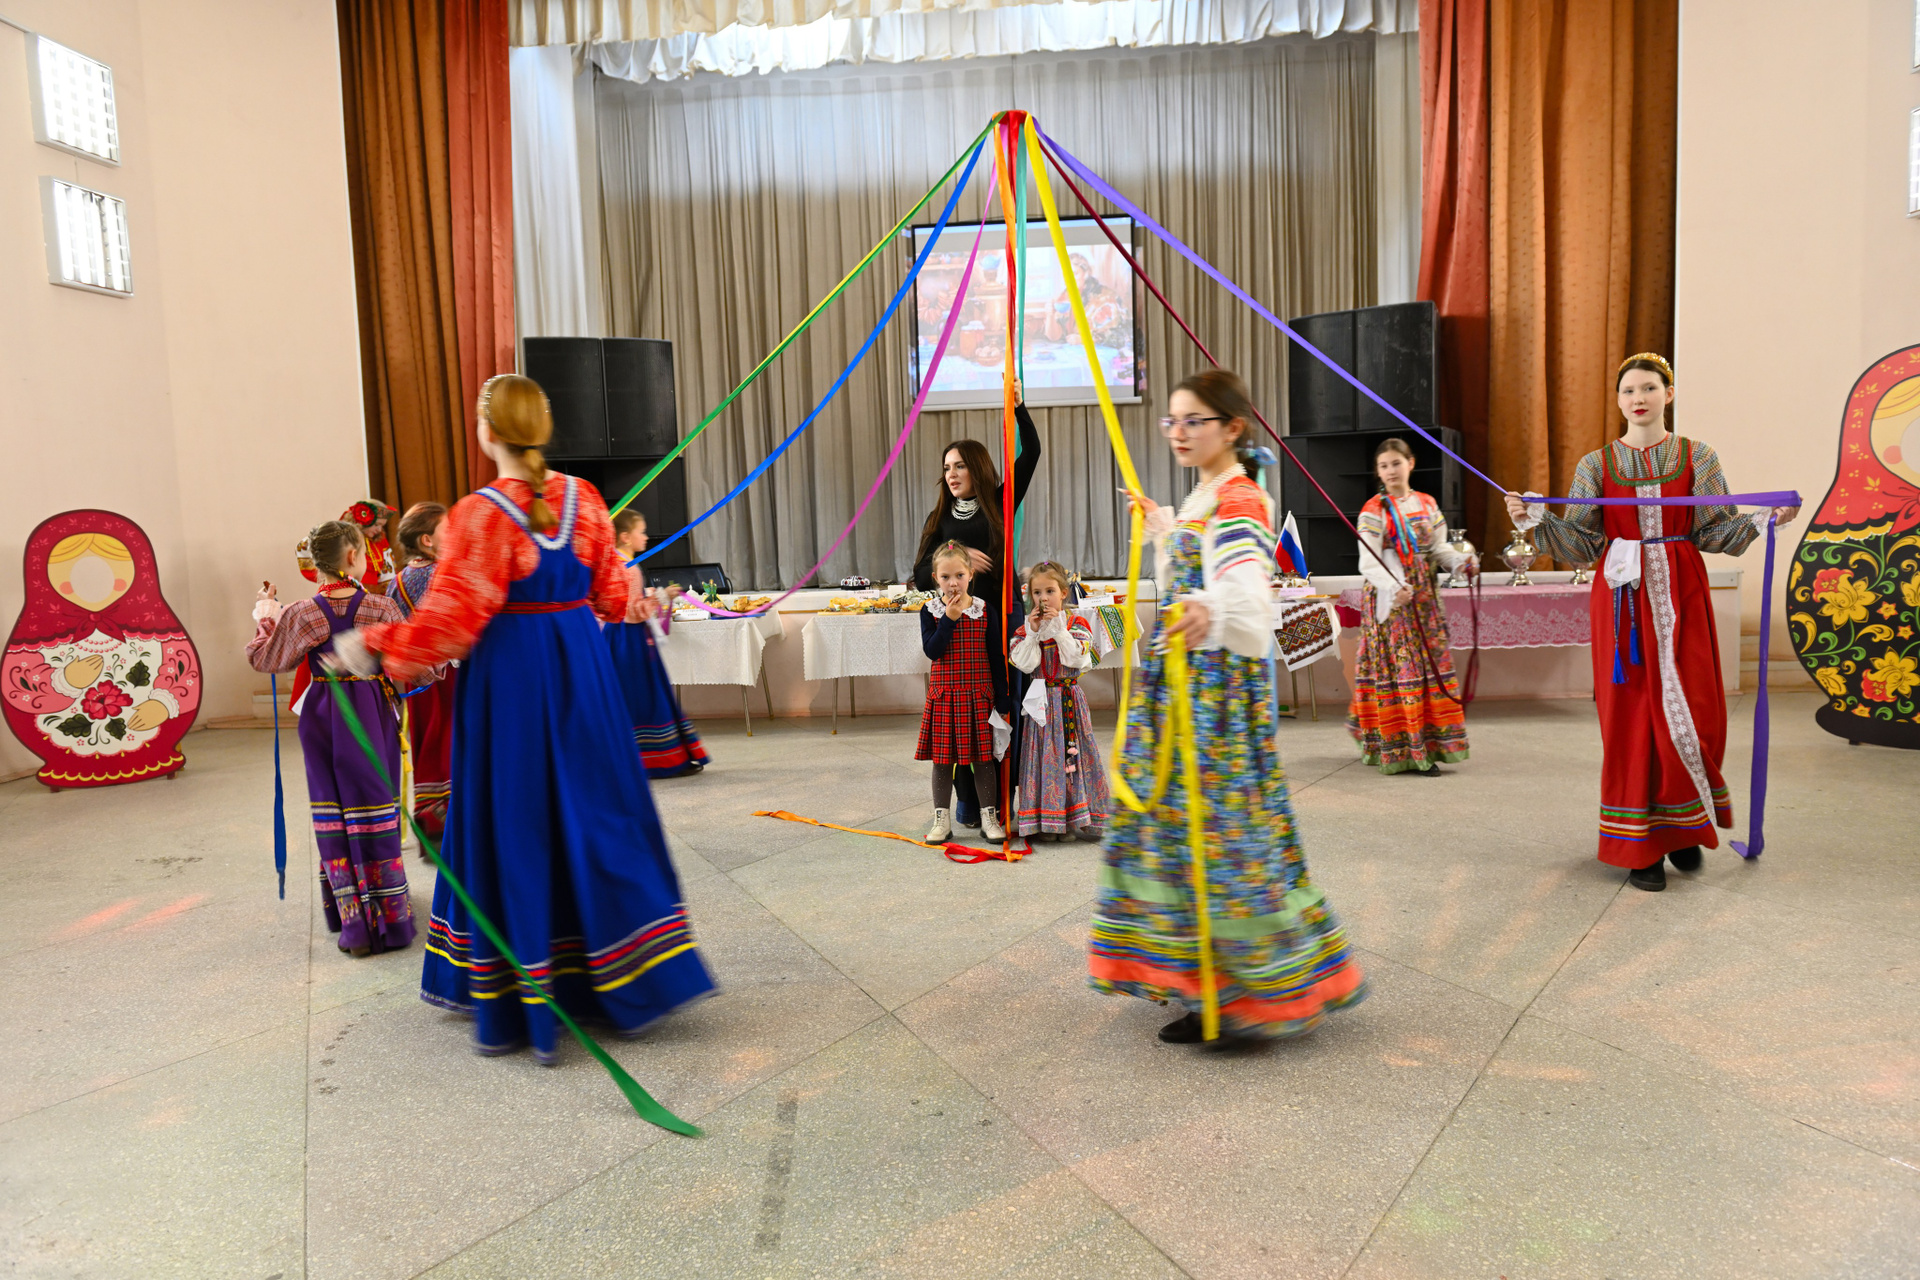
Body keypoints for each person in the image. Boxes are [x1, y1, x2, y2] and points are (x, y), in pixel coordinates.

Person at [337, 373, 715, 1062]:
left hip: (511, 683)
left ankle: (528, 987)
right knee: (597, 809)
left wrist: (374, 644)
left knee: (518, 821)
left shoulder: (478, 515)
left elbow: (450, 627)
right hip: (584, 675)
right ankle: (627, 972)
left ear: (487, 430)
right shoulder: (586, 499)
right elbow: (610, 597)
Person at [1092, 369, 1367, 1044]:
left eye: (1194, 421)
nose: (1179, 433)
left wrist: (1208, 610)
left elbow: (1246, 588)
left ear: (1232, 428)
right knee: (1184, 828)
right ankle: (1202, 981)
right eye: (1172, 421)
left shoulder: (1240, 498)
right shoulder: (1206, 495)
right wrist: (1164, 526)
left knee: (1217, 832)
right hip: (1183, 688)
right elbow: (1195, 565)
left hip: (1211, 701)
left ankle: (1238, 994)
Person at [1505, 353, 1800, 892]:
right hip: (1622, 601)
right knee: (1632, 716)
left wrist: (1766, 519)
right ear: (1618, 401)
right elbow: (1582, 545)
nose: (1638, 398)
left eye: (1648, 388)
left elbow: (1714, 531)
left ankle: (1683, 828)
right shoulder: (1595, 465)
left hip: (1683, 591)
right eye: (1628, 391)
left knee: (1697, 708)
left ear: (1669, 393)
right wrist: (1535, 519)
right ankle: (1640, 846)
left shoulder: (1698, 456)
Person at [248, 520, 416, 957]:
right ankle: (389, 918)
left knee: (334, 810)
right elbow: (416, 665)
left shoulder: (301, 613)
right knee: (375, 807)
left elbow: (266, 660)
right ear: (352, 556)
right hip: (370, 712)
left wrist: (266, 617)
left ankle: (352, 921)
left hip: (323, 712)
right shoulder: (380, 607)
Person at [911, 389, 1041, 827]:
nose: (951, 474)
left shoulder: (1000, 502)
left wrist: (1018, 406)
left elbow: (1032, 451)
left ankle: (1003, 802)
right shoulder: (939, 519)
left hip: (1002, 620)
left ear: (977, 467)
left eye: (959, 465)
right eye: (946, 468)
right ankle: (967, 806)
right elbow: (920, 571)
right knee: (964, 717)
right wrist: (960, 554)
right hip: (959, 630)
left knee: (1004, 710)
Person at [1348, 438, 1476, 776]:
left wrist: (1461, 562)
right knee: (1404, 667)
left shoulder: (1427, 503)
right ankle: (1408, 749)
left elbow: (1437, 549)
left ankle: (1431, 743)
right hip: (1391, 597)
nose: (1390, 471)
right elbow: (1368, 561)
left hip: (1423, 596)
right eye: (1383, 466)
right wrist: (1394, 587)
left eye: (1396, 463)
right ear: (1378, 472)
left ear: (1411, 464)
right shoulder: (1373, 509)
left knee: (1429, 666)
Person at [917, 540, 1011, 843]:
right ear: (936, 579)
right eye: (945, 577)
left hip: (978, 697)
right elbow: (933, 651)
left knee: (983, 760)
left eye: (959, 575)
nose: (953, 583)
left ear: (971, 574)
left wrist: (1002, 698)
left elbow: (996, 656)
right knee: (943, 761)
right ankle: (941, 819)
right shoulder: (930, 611)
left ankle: (988, 817)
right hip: (945, 697)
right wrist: (949, 619)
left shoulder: (985, 610)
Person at [1010, 560, 1108, 841]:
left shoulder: (1076, 624)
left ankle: (1071, 820)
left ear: (1063, 593)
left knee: (1073, 756)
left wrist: (1057, 630)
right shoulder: (1027, 629)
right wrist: (1033, 633)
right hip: (1041, 702)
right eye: (1037, 593)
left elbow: (1076, 658)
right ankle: (1047, 822)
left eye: (1050, 591)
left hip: (1068, 700)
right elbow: (1025, 664)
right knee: (1044, 757)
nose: (1043, 598)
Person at [607, 509, 709, 778]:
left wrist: (651, 594)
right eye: (641, 532)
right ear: (625, 537)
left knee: (633, 695)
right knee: (644, 696)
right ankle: (658, 760)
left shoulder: (616, 562)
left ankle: (632, 759)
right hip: (630, 639)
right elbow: (631, 611)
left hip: (620, 636)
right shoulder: (628, 568)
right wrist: (662, 596)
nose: (646, 537)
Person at [393, 502, 456, 837]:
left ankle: (433, 820)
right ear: (427, 540)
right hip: (452, 674)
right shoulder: (446, 574)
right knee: (453, 738)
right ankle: (460, 819)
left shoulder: (399, 580)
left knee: (428, 741)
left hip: (418, 678)